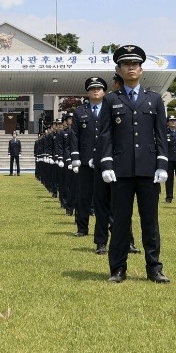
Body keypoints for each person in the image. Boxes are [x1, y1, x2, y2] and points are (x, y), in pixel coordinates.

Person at [96, 44, 170, 283]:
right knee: (120, 222)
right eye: (126, 64)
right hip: (121, 170)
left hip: (149, 169)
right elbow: (105, 135)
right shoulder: (110, 100)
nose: (131, 68)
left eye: (135, 64)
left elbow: (161, 135)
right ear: (119, 69)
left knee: (150, 221)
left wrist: (162, 164)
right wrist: (106, 165)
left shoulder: (155, 99)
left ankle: (154, 268)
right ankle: (118, 269)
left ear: (141, 69)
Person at [70, 76, 110, 248]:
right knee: (83, 196)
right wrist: (75, 157)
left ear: (104, 92)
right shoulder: (80, 112)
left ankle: (108, 228)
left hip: (104, 160)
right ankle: (82, 226)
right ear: (87, 92)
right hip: (85, 160)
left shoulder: (110, 109)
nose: (95, 91)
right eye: (92, 88)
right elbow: (74, 136)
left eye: (99, 88)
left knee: (104, 198)